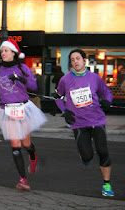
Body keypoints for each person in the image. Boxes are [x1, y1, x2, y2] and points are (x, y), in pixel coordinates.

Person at [54, 49, 114, 197]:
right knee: (87, 156)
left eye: (78, 58)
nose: (75, 61)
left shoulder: (95, 78)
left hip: (97, 120)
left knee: (103, 151)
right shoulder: (65, 80)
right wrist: (64, 111)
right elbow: (57, 96)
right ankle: (85, 155)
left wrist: (107, 101)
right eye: (72, 59)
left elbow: (107, 93)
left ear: (84, 60)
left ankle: (106, 184)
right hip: (79, 123)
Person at [0, 39, 47, 190]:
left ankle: (32, 156)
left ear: (13, 53)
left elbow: (34, 88)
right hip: (7, 110)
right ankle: (23, 180)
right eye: (1, 51)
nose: (3, 53)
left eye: (6, 50)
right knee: (15, 145)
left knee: (25, 143)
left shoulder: (22, 68)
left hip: (23, 108)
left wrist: (21, 79)